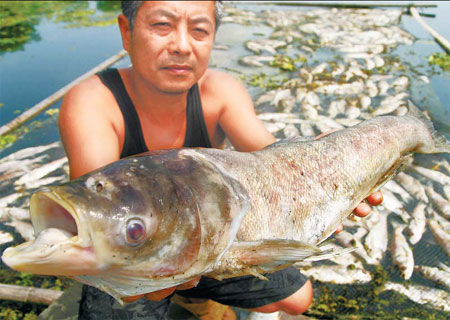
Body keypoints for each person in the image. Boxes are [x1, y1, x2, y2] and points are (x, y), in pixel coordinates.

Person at [58, 1, 383, 319]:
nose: (182, 46)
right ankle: (188, 296)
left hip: (214, 240)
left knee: (298, 299)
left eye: (199, 30)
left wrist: (318, 168)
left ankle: (194, 298)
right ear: (126, 32)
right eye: (162, 25)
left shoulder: (221, 91)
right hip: (134, 252)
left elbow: (267, 158)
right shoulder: (92, 101)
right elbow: (94, 211)